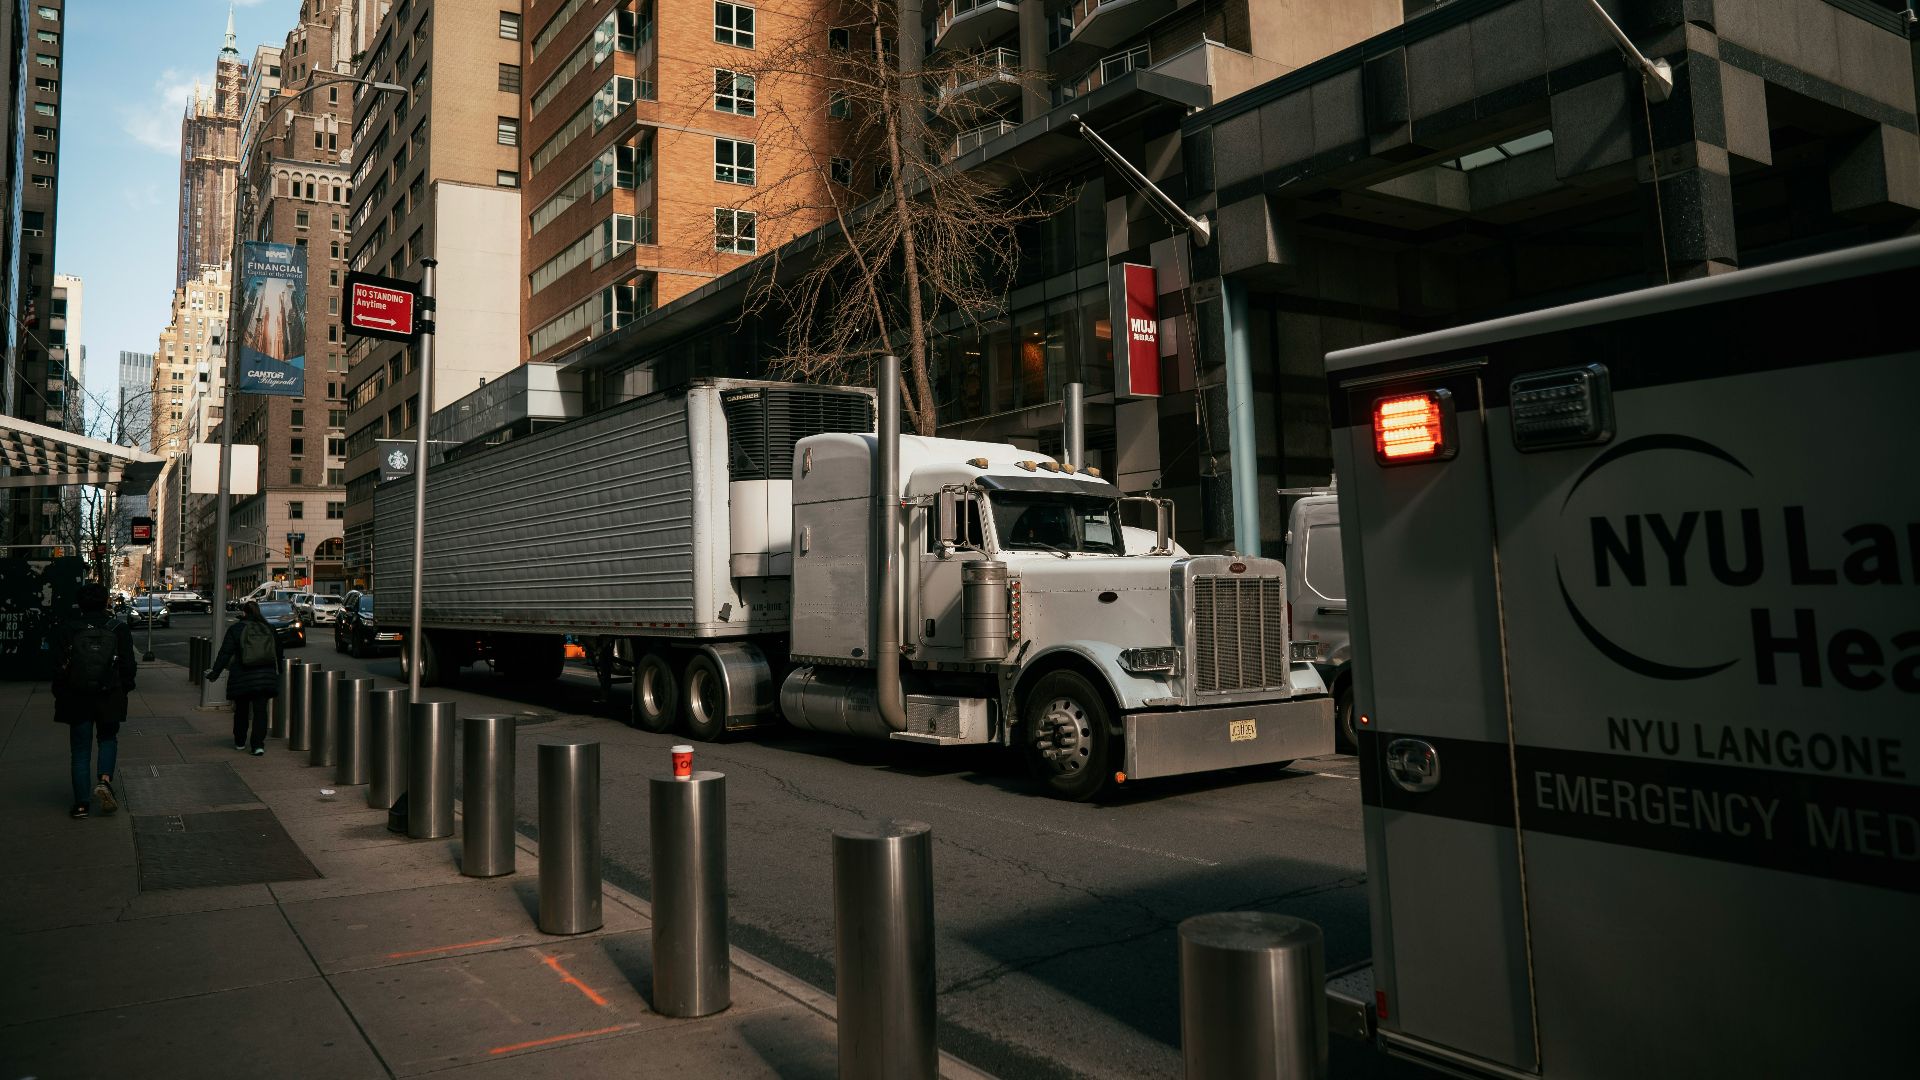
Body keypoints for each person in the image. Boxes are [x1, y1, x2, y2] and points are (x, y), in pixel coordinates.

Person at [52, 582, 137, 820]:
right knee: (108, 739)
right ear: (105, 602)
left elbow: (57, 667)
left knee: (80, 750)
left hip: (76, 696)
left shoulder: (67, 629)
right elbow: (128, 666)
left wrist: (61, 693)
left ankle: (81, 804)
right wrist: (124, 689)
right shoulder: (118, 628)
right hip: (110, 695)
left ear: (80, 603)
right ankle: (105, 781)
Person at [206, 600, 283, 755]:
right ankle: (258, 745)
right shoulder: (269, 628)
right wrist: (278, 672)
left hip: (242, 676)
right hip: (265, 676)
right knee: (260, 711)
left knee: (241, 710)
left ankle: (240, 741)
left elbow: (225, 653)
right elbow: (278, 652)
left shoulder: (236, 629)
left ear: (244, 613)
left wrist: (215, 673)